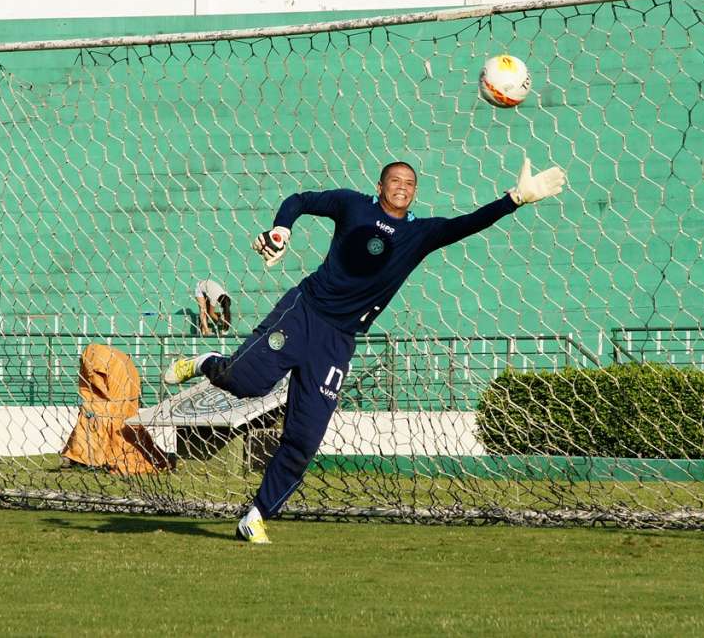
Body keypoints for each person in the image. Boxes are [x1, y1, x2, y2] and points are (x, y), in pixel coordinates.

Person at [163, 157, 566, 544]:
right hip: (304, 313)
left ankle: (255, 517)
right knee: (245, 383)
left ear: (415, 192)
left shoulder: (420, 234)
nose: (403, 187)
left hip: (338, 342)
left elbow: (467, 224)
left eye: (410, 183)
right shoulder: (353, 204)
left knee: (305, 438)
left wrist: (514, 199)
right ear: (380, 186)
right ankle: (204, 362)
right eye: (396, 180)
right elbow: (300, 200)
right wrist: (281, 230)